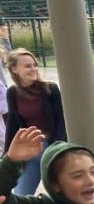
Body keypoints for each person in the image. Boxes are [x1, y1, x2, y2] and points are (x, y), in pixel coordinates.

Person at [3, 49, 66, 196]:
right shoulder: (12, 92)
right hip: (30, 150)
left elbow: (61, 121)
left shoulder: (50, 89)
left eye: (34, 65)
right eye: (27, 66)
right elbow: (12, 124)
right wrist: (7, 155)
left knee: (60, 194)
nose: (33, 69)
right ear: (14, 69)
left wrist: (56, 149)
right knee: (21, 195)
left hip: (51, 147)